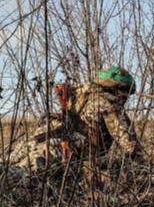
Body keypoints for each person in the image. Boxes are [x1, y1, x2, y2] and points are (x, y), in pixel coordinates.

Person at [12, 66, 143, 172]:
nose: (126, 96)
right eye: (124, 89)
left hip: (37, 141)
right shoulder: (108, 104)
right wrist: (143, 168)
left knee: (5, 168)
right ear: (112, 87)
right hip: (60, 152)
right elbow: (130, 145)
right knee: (20, 177)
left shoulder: (79, 95)